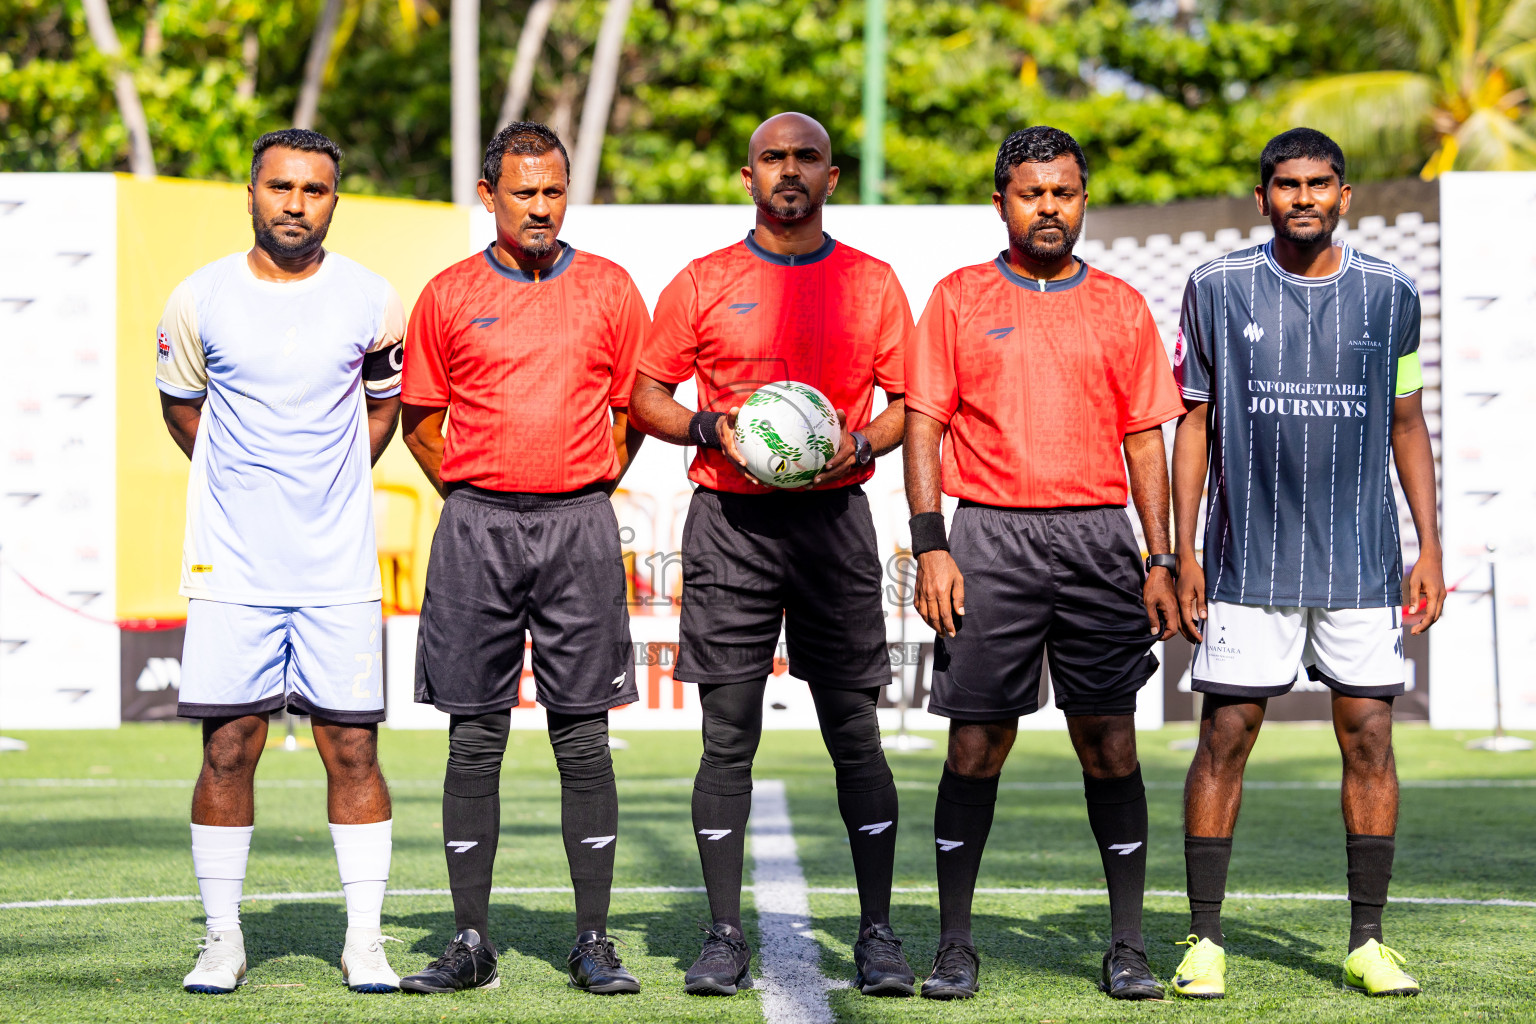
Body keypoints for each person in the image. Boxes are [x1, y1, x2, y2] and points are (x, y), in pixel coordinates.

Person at [629, 112, 916, 997]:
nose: (789, 171)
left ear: (834, 176)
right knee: (727, 737)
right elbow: (644, 394)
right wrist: (712, 425)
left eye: (807, 158)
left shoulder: (872, 284)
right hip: (730, 526)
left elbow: (909, 403)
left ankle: (877, 935)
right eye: (772, 158)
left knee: (856, 736)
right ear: (746, 175)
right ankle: (722, 937)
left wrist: (863, 444)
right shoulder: (705, 280)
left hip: (834, 526)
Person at [905, 126, 1182, 1002]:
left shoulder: (1124, 307)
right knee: (976, 744)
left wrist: (1160, 557)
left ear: (1084, 200)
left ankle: (1127, 946)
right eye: (1032, 193)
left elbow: (1146, 439)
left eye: (1063, 192)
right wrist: (932, 543)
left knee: (1110, 743)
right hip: (988, 538)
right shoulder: (955, 298)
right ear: (1002, 202)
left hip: (1100, 541)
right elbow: (924, 424)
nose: (1049, 207)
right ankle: (955, 946)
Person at [1168, 127, 1445, 1000]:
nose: (1303, 198)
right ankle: (1204, 940)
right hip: (1248, 562)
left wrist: (1427, 545)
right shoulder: (1215, 288)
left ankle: (1368, 940)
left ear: (1345, 195)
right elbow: (1193, 425)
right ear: (1262, 198)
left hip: (1363, 564)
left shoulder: (1392, 295)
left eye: (1319, 184)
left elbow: (1406, 422)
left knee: (1369, 737)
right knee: (1226, 736)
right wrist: (1182, 550)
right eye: (1286, 185)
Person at [398, 121, 648, 996]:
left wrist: (576, 482)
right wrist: (476, 493)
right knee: (476, 737)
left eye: (552, 192)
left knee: (585, 739)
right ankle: (470, 941)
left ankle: (593, 941)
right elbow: (420, 422)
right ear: (488, 196)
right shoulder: (448, 294)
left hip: (579, 526)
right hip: (476, 532)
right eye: (523, 193)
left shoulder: (612, 290)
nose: (540, 208)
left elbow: (628, 418)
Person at [157, 128, 404, 995]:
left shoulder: (372, 299)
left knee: (352, 747)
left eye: (315, 190)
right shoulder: (199, 297)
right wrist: (249, 489)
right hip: (232, 566)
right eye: (280, 187)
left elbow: (382, 414)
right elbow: (183, 411)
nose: (296, 204)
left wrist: (321, 490)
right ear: (252, 192)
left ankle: (364, 941)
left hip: (336, 571)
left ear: (336, 199)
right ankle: (222, 939)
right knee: (228, 746)